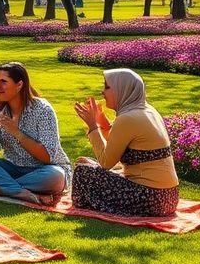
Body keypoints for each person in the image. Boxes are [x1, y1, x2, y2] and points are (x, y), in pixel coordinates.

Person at [71, 69, 179, 216]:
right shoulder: (149, 111)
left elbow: (106, 162)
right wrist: (103, 122)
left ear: (122, 89)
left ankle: (88, 202)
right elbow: (117, 146)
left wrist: (92, 127)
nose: (102, 92)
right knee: (85, 162)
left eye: (107, 87)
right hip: (169, 198)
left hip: (150, 199)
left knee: (82, 172)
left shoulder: (128, 118)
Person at [0, 62, 71, 205]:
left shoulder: (43, 110)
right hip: (12, 168)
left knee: (56, 176)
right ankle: (22, 191)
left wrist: (17, 133)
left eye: (3, 82)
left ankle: (2, 189)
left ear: (19, 85)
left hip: (43, 170)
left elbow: (47, 157)